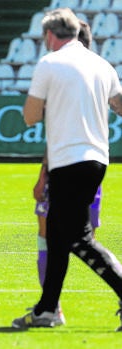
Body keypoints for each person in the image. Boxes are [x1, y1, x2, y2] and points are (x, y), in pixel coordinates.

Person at [12, 8, 122, 330]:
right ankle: (47, 310)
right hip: (97, 158)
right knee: (59, 239)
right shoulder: (102, 64)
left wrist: (47, 104)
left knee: (77, 238)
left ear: (49, 35)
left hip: (67, 160)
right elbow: (119, 105)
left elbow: (31, 116)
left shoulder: (49, 63)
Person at [31, 19, 101, 327]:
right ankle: (49, 309)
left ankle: (51, 308)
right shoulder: (99, 73)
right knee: (65, 241)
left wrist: (43, 175)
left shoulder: (60, 74)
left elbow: (43, 125)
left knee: (64, 240)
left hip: (65, 168)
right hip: (94, 169)